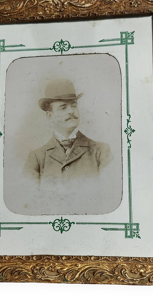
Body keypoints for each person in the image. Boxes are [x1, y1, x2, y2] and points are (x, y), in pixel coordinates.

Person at [21, 79, 117, 214]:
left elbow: (110, 200)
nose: (71, 111)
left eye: (74, 105)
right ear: (49, 115)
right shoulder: (37, 157)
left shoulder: (101, 151)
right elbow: (27, 204)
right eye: (63, 107)